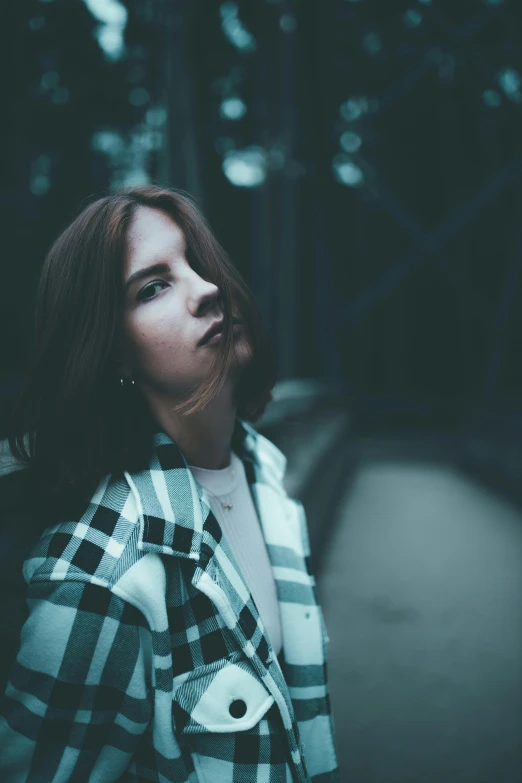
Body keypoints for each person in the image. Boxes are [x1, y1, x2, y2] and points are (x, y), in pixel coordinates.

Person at [0, 185, 339, 782]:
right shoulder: (105, 568)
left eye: (200, 264)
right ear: (113, 355)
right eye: (153, 287)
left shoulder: (266, 476)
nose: (207, 289)